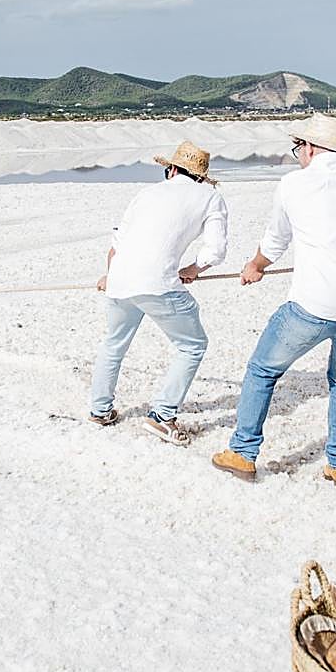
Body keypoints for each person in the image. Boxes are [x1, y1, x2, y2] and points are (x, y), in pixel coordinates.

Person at [211, 113, 336, 490]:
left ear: (309, 147)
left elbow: (275, 241)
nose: (298, 155)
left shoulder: (293, 183)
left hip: (314, 305)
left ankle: (243, 452)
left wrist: (254, 267)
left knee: (262, 370)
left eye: (298, 148)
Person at [89, 141, 229, 446]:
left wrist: (111, 277)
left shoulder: (147, 193)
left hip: (122, 280)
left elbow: (117, 246)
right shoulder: (210, 197)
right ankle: (162, 417)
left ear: (173, 169)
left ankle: (99, 410)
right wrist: (193, 269)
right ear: (201, 177)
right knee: (193, 346)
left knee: (114, 343)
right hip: (158, 285)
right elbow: (216, 252)